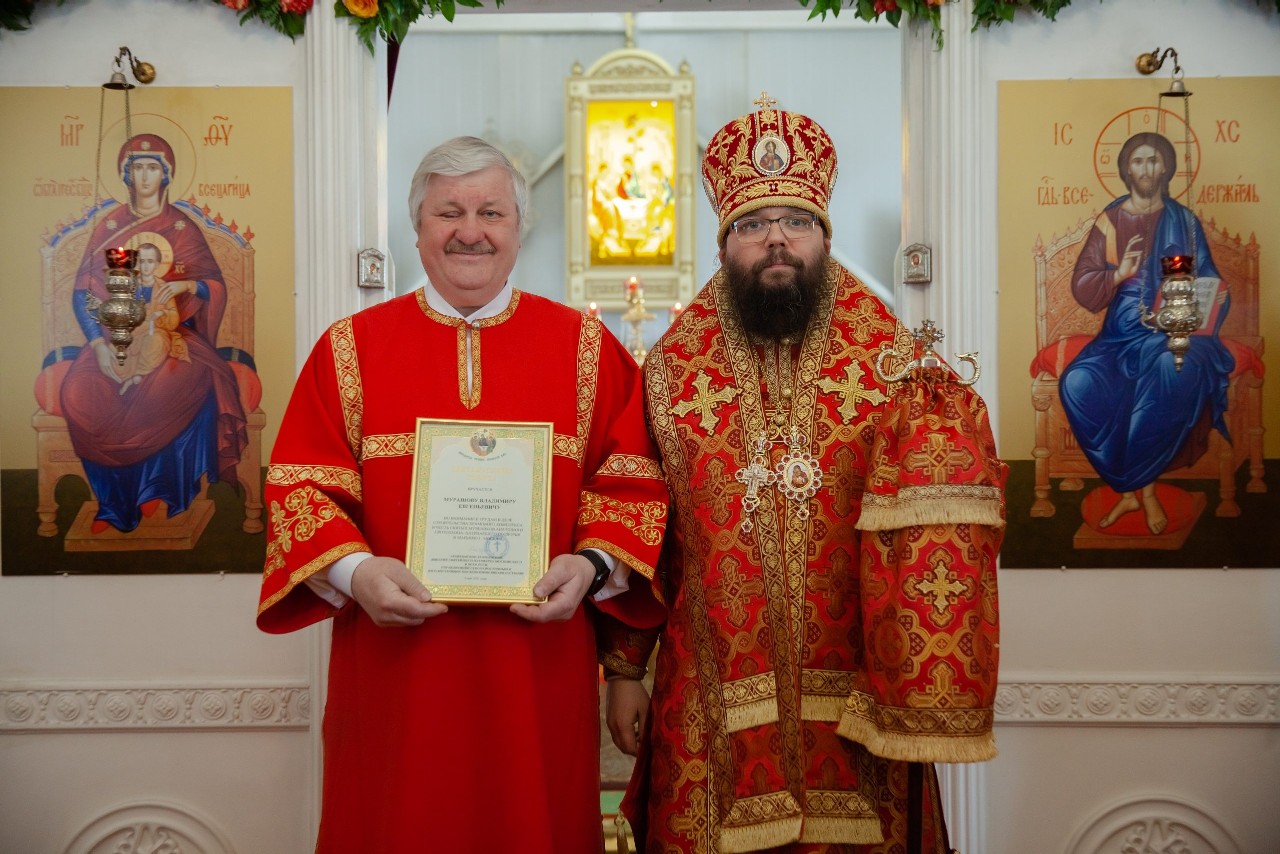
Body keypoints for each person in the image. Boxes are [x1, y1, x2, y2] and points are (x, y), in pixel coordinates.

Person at [601, 101, 1007, 852]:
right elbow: (636, 521)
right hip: (711, 689)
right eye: (754, 224)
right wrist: (625, 668)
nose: (777, 238)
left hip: (858, 690)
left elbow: (950, 504)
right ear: (726, 242)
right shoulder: (669, 369)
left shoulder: (896, 363)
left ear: (825, 234)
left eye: (797, 219)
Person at [256, 136, 668, 853]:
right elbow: (300, 492)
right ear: (416, 230)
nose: (470, 230)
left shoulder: (586, 349)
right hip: (394, 679)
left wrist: (594, 567)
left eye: (490, 212)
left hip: (537, 682)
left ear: (518, 228)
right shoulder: (348, 349)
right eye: (448, 212)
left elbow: (632, 481)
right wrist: (358, 573)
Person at [61, 133, 247, 534]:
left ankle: (158, 492)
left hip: (177, 336)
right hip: (115, 338)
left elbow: (214, 286)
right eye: (137, 168)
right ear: (126, 175)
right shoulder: (110, 227)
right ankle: (113, 505)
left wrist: (187, 287)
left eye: (152, 168)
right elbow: (83, 293)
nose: (144, 176)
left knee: (168, 385)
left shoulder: (182, 227)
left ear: (166, 175)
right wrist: (99, 345)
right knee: (79, 390)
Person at [1060, 131, 1233, 534]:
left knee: (1164, 374)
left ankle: (1146, 494)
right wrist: (1119, 273)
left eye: (1153, 160)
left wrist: (1199, 303)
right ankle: (1128, 493)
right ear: (1125, 169)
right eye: (1137, 161)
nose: (1145, 169)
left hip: (1173, 329)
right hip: (1118, 336)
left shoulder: (1184, 221)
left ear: (1167, 168)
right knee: (1078, 382)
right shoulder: (1111, 218)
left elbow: (1209, 280)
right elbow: (1082, 283)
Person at [118, 243, 189, 395]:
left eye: (150, 262)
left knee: (154, 342)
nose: (145, 266)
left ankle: (137, 375)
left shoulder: (163, 287)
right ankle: (130, 376)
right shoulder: (130, 287)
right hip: (134, 333)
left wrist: (162, 314)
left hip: (156, 331)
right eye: (142, 261)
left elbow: (174, 319)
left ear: (157, 264)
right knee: (115, 354)